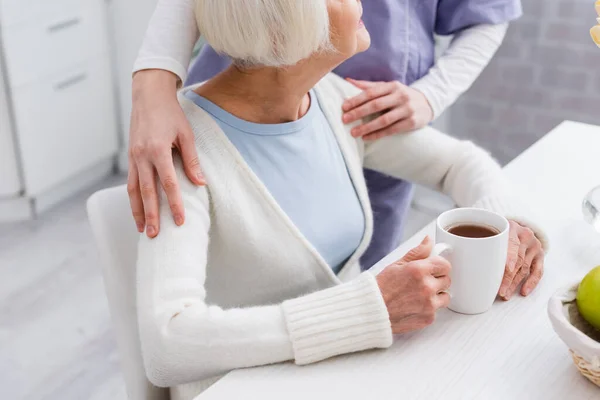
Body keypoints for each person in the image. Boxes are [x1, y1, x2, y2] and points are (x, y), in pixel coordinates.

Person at [135, 1, 547, 399]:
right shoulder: (181, 151)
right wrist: (369, 309)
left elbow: (459, 163)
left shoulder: (332, 100)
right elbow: (168, 344)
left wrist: (508, 222)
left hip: (345, 373)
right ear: (282, 27)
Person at [129, 0, 521, 270]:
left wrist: (431, 95)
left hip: (369, 120)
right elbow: (180, 332)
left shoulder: (338, 101)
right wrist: (153, 86)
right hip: (238, 110)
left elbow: (487, 15)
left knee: (359, 271)